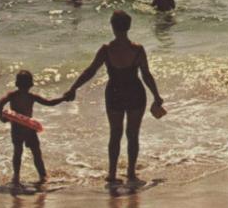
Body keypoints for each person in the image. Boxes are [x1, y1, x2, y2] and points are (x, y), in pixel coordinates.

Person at [64, 11, 164, 183]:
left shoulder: (106, 50)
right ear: (129, 26)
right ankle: (131, 173)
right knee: (133, 135)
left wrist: (73, 88)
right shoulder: (137, 50)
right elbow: (146, 75)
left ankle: (112, 173)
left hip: (115, 93)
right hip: (135, 92)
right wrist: (156, 95)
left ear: (112, 27)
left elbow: (90, 71)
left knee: (115, 134)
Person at [0, 70, 65, 185]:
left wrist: (2, 118)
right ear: (31, 84)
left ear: (16, 84)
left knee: (19, 152)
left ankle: (17, 177)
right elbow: (50, 103)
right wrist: (63, 98)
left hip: (19, 129)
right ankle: (42, 176)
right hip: (28, 130)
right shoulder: (31, 96)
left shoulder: (13, 95)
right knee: (35, 153)